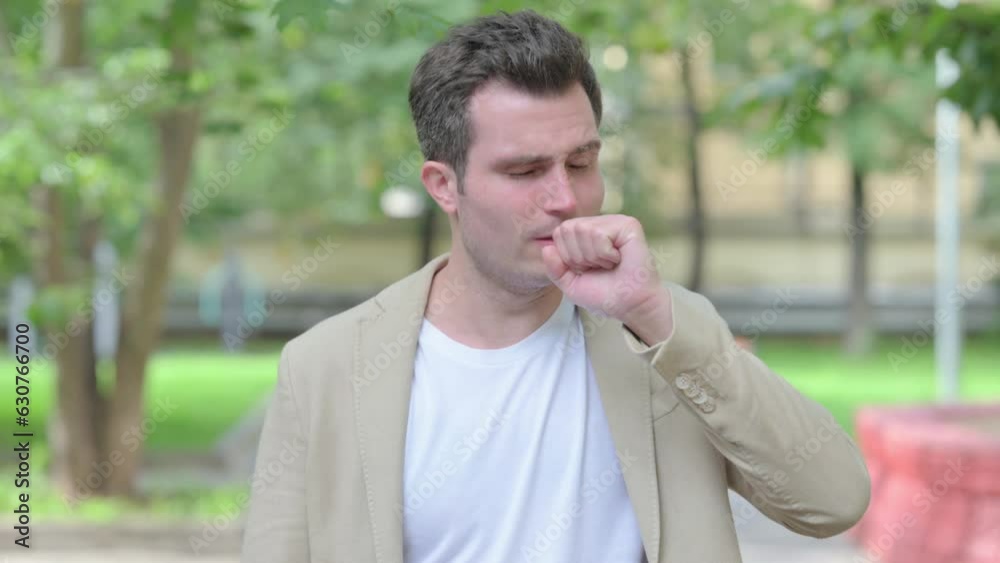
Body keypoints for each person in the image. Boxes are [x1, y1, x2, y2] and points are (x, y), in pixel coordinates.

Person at [241, 10, 870, 563]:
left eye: (581, 162)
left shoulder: (661, 337)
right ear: (444, 185)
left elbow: (834, 501)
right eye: (525, 171)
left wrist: (653, 313)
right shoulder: (326, 366)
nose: (565, 197)